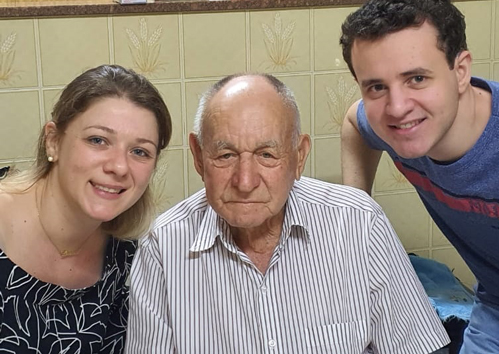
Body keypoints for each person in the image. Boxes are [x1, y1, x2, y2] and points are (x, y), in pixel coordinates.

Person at [125, 73, 449, 353]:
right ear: (198, 156)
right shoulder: (163, 247)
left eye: (267, 155)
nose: (245, 181)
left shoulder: (359, 222)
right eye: (225, 155)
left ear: (299, 156)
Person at [340, 0, 499, 353]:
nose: (397, 107)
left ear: (460, 71)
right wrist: (356, 216)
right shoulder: (395, 125)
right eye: (377, 87)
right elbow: (354, 122)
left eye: (417, 79)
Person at [0, 64, 172, 353]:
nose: (119, 166)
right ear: (53, 141)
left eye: (139, 151)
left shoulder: (128, 256)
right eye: (98, 140)